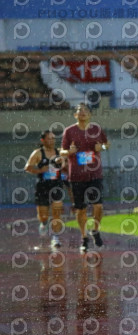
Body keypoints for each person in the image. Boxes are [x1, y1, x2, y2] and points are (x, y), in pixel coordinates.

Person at [61, 103, 110, 251]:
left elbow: (107, 144)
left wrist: (101, 147)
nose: (82, 112)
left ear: (90, 114)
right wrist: (69, 152)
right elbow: (62, 151)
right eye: (79, 111)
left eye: (85, 110)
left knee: (98, 206)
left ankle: (95, 230)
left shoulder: (96, 129)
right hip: (76, 175)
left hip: (95, 174)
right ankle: (84, 237)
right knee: (81, 209)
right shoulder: (69, 131)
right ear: (75, 115)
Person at [24, 130, 66, 247]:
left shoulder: (59, 152)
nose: (52, 141)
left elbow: (66, 162)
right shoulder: (38, 153)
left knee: (57, 213)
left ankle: (55, 237)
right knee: (43, 215)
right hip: (42, 186)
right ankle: (44, 222)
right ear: (43, 140)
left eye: (53, 138)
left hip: (56, 186)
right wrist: (40, 170)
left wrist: (63, 162)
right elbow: (27, 167)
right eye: (49, 138)